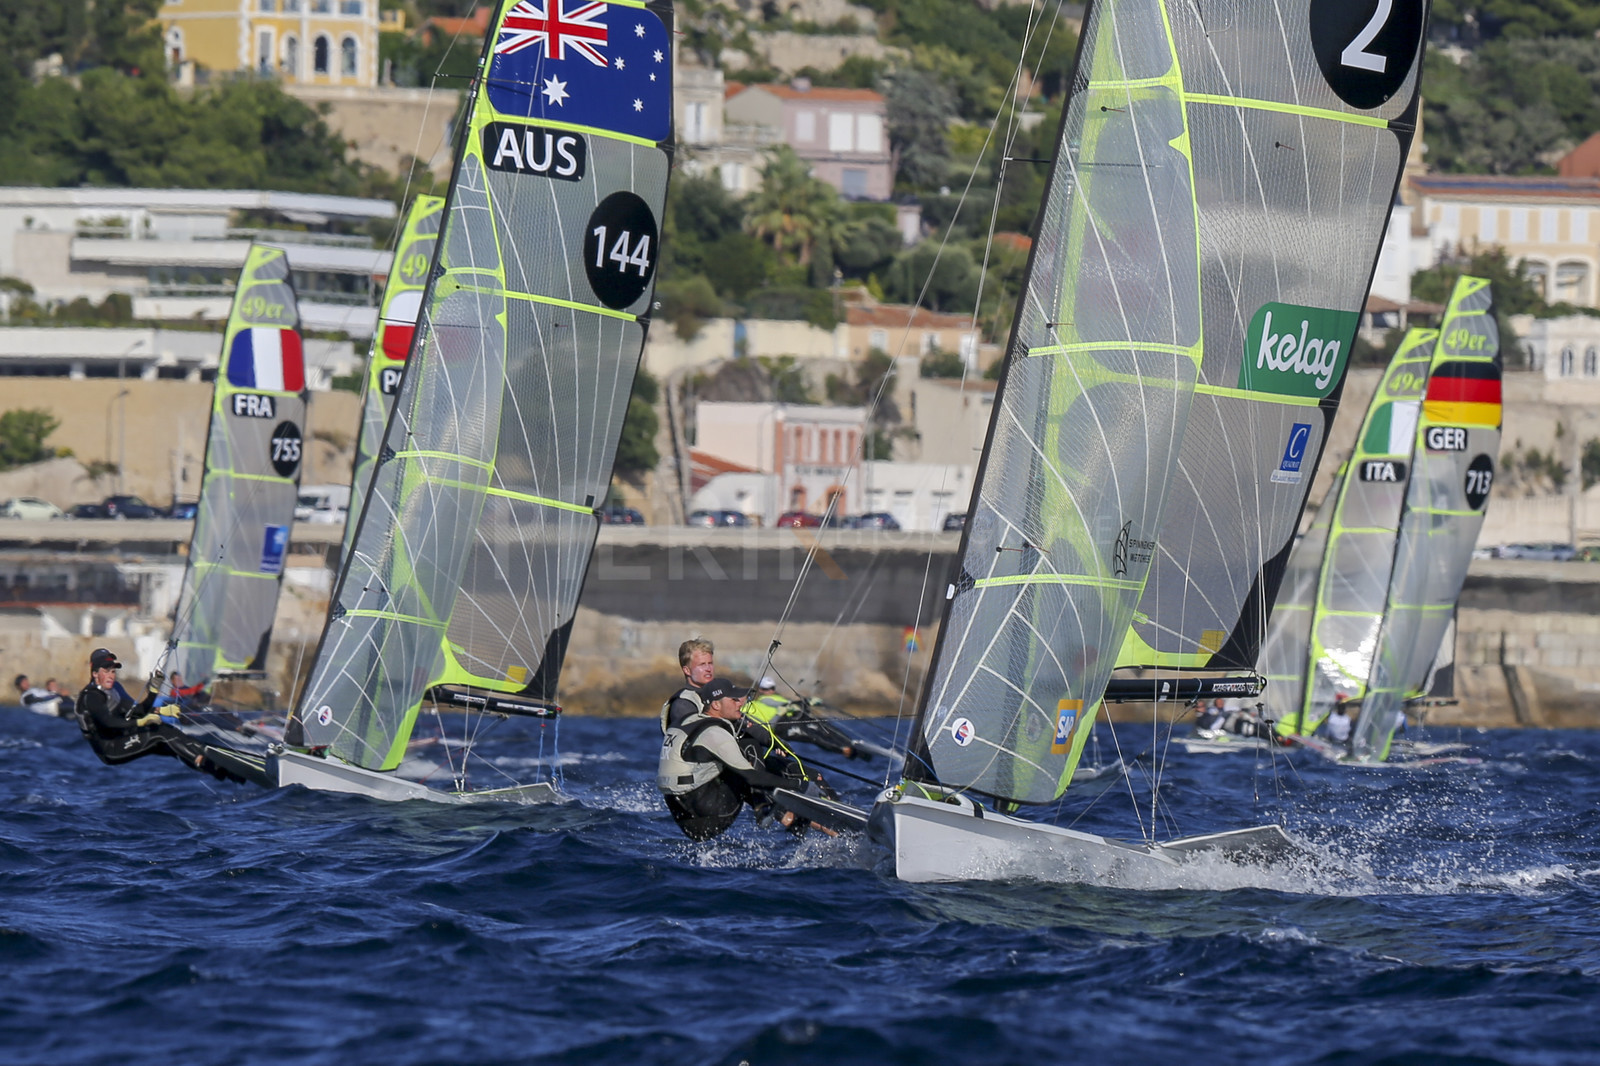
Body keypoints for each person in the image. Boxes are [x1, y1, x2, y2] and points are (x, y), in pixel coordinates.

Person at [657, 677, 828, 841]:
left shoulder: (690, 721)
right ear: (716, 704)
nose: (741, 703)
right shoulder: (715, 734)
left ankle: (789, 820)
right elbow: (752, 777)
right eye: (734, 700)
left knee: (741, 765)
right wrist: (800, 785)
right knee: (749, 749)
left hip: (683, 814)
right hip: (706, 818)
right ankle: (765, 808)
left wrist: (774, 744)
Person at [73, 648, 239, 781]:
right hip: (110, 749)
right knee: (160, 734)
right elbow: (109, 722)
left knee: (168, 738)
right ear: (95, 673)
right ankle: (201, 759)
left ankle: (217, 767)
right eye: (106, 671)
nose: (111, 675)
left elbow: (137, 711)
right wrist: (141, 722)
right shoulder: (91, 697)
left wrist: (153, 692)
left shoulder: (116, 689)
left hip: (123, 737)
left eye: (113, 671)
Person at [741, 676, 862, 760]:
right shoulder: (749, 707)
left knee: (822, 726)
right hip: (781, 728)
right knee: (813, 737)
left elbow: (791, 704)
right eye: (766, 689)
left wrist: (808, 701)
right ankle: (844, 750)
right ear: (760, 690)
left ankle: (850, 743)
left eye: (772, 688)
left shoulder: (775, 698)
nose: (770, 691)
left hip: (792, 719)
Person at [660, 637, 716, 733]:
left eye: (710, 663)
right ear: (687, 670)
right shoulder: (682, 705)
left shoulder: (716, 694)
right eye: (702, 664)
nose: (708, 669)